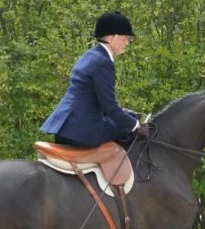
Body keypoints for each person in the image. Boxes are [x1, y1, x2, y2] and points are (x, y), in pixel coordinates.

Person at [40, 11, 150, 148]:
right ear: (111, 38)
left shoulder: (89, 55)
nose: (127, 42)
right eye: (124, 38)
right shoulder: (104, 62)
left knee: (127, 120)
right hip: (83, 130)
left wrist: (128, 114)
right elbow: (110, 108)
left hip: (66, 126)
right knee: (128, 130)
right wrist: (136, 125)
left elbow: (94, 99)